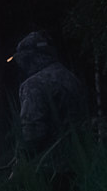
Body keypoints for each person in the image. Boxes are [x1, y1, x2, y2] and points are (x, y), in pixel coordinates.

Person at [12, 30, 91, 162]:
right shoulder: (71, 77)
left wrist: (21, 163)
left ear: (28, 58)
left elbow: (32, 132)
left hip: (50, 167)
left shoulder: (33, 85)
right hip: (83, 159)